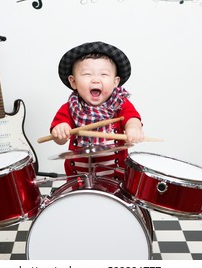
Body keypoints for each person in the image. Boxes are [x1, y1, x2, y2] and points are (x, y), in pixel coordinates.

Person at [50, 41, 144, 180]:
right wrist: (60, 131)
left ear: (115, 82)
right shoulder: (70, 108)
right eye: (87, 74)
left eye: (104, 74)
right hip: (79, 179)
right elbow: (59, 140)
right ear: (73, 82)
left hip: (115, 178)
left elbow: (132, 118)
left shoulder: (120, 104)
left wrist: (133, 128)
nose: (95, 80)